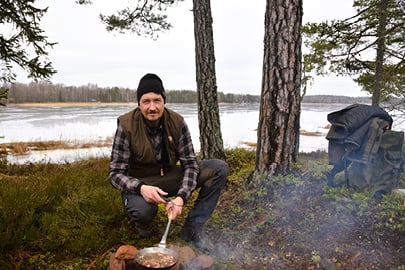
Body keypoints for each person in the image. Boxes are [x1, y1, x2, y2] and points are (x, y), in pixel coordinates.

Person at [109, 73, 229, 252]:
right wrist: (141, 188)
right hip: (140, 183)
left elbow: (190, 164)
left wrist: (181, 197)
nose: (152, 107)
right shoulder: (126, 126)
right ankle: (143, 224)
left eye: (157, 100)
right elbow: (115, 174)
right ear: (139, 103)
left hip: (170, 177)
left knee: (218, 168)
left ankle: (191, 228)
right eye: (146, 101)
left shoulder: (177, 122)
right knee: (143, 212)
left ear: (164, 100)